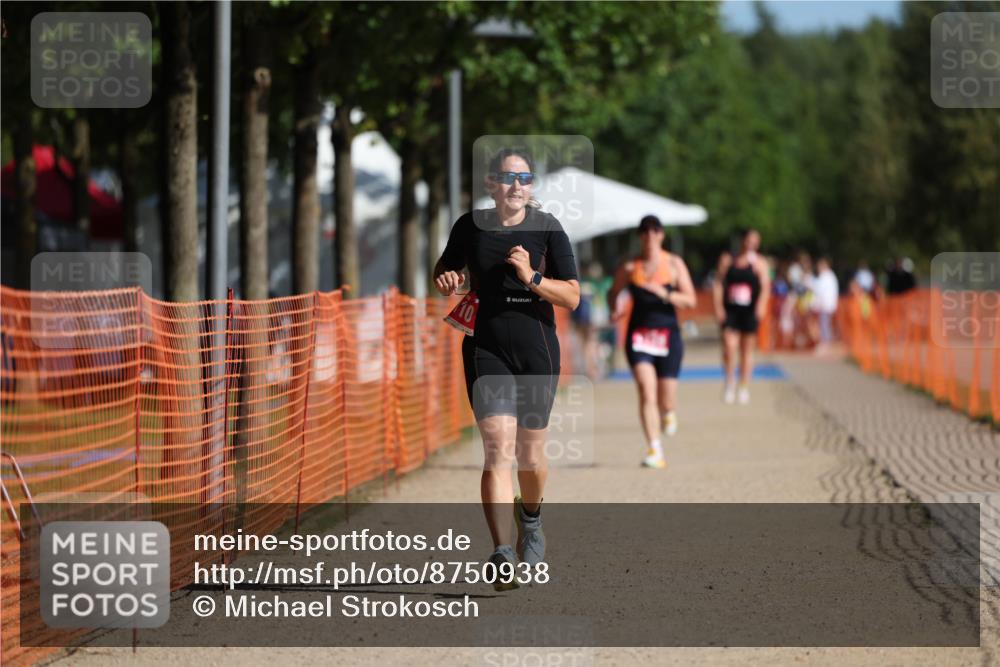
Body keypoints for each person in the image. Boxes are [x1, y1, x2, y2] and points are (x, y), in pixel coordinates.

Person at [433, 148, 580, 590]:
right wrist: (446, 279)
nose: (517, 185)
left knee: (530, 457)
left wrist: (531, 277)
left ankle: (530, 520)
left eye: (525, 178)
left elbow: (572, 296)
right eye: (508, 177)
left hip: (537, 351)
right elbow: (445, 269)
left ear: (531, 186)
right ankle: (501, 551)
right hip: (486, 347)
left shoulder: (548, 229)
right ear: (491, 184)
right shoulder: (470, 226)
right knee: (497, 449)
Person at [607, 215, 696, 469]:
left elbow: (690, 300)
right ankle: (655, 449)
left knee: (666, 400)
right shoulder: (629, 267)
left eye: (654, 230)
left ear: (661, 234)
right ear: (640, 236)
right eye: (644, 231)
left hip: (668, 337)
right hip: (639, 337)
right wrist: (615, 308)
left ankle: (668, 413)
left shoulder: (674, 264)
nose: (649, 235)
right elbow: (613, 293)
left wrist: (665, 293)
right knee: (647, 391)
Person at [713, 229, 770, 404]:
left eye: (755, 241)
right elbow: (718, 283)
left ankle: (744, 385)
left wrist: (761, 306)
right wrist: (718, 307)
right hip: (731, 310)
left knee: (746, 349)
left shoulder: (760, 263)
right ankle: (729, 382)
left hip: (749, 310)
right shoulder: (728, 259)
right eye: (749, 240)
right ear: (742, 240)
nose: (751, 244)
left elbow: (765, 287)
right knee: (729, 346)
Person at [572, 262, 612, 379]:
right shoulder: (599, 286)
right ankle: (591, 370)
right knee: (590, 344)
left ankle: (590, 369)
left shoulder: (589, 285)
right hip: (590, 319)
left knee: (588, 344)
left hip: (589, 319)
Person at [812, 257, 839, 348]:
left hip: (825, 304)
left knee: (824, 324)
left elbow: (819, 290)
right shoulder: (830, 276)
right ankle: (826, 341)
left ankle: (825, 342)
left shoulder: (825, 276)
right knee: (826, 323)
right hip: (828, 303)